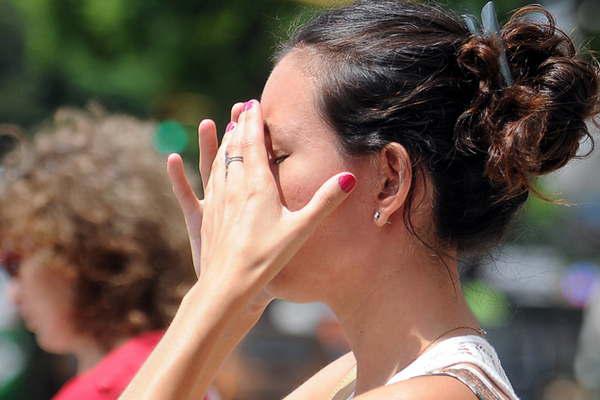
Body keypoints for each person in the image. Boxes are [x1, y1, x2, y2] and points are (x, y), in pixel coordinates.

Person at [122, 1, 600, 399]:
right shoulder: (354, 376)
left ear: (389, 180)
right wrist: (234, 301)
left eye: (276, 155)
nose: (251, 184)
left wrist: (217, 296)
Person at [0, 107, 197, 399]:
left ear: (73, 252)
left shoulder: (106, 388)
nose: (12, 295)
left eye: (15, 264)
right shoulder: (183, 359)